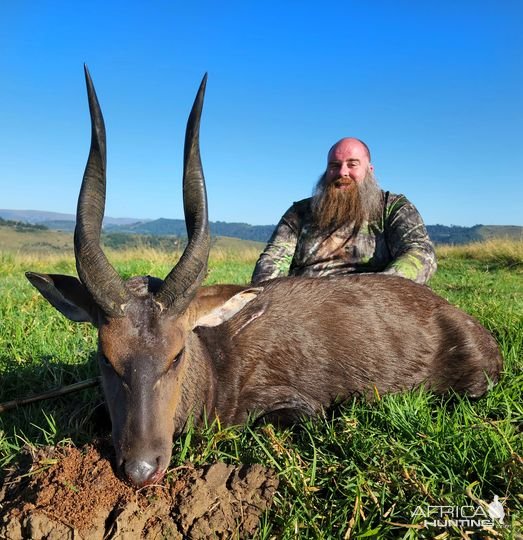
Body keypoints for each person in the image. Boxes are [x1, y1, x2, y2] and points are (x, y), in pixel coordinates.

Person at [251, 137, 436, 285]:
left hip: (375, 304)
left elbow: (421, 253)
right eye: (335, 165)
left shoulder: (394, 207)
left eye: (352, 164)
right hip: (307, 306)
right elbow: (271, 262)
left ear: (369, 170)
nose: (342, 172)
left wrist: (378, 290)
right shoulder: (299, 213)